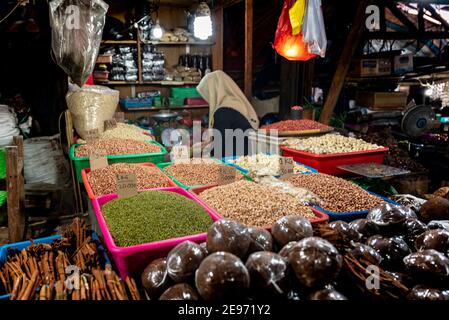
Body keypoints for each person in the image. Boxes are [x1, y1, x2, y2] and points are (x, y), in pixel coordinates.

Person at [196, 70, 259, 158]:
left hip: (236, 161)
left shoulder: (223, 112)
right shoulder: (234, 103)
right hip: (245, 157)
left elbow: (219, 147)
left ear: (214, 92)